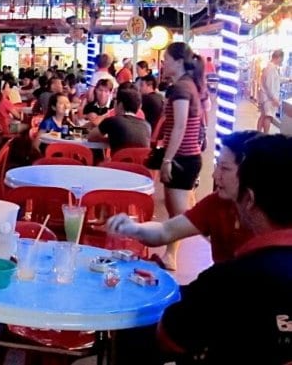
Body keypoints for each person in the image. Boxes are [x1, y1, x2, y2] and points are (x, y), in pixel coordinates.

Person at [157, 134, 292, 363]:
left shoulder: (228, 280)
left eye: (226, 168)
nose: (216, 175)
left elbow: (170, 337)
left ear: (248, 198)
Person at [107, 130, 258, 265]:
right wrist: (134, 228)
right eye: (217, 166)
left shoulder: (270, 217)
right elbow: (165, 231)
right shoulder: (216, 203)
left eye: (224, 168)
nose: (215, 175)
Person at [156, 41, 205, 270]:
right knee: (175, 210)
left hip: (182, 158)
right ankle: (169, 255)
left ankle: (171, 256)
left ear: (177, 61)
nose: (163, 64)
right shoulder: (189, 84)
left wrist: (167, 159)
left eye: (166, 59)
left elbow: (180, 125)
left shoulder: (182, 88)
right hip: (186, 156)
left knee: (178, 214)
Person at [88, 86, 151, 152]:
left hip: (117, 161)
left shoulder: (112, 121)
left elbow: (91, 137)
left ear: (120, 104)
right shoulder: (147, 125)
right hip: (139, 162)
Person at [258, 49, 285, 133]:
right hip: (268, 98)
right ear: (279, 58)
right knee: (268, 117)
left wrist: (288, 79)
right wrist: (274, 98)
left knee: (263, 116)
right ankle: (265, 136)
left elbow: (276, 80)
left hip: (265, 97)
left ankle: (258, 134)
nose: (282, 61)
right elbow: (269, 86)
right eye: (282, 59)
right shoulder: (271, 68)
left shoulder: (269, 67)